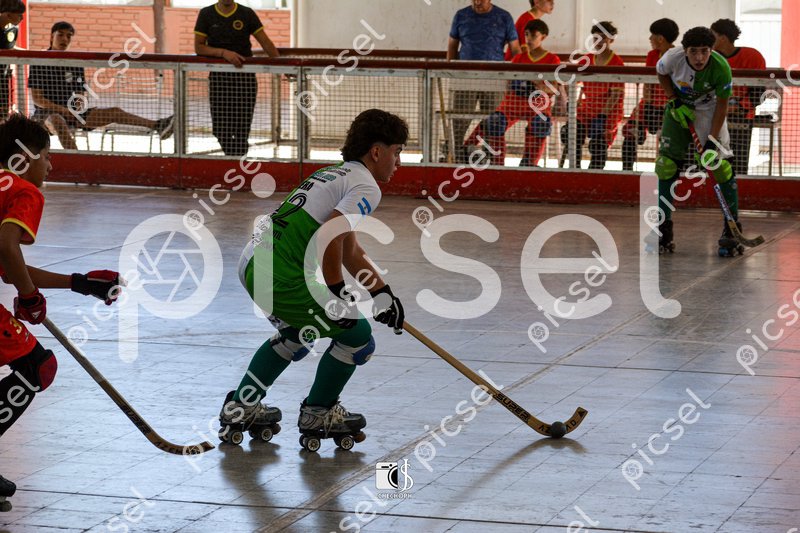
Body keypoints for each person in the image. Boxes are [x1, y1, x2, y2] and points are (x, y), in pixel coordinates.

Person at [219, 109, 407, 450]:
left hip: (253, 263)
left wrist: (382, 293)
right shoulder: (366, 186)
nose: (399, 162)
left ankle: (242, 406)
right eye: (397, 152)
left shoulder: (333, 174)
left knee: (297, 334)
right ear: (377, 152)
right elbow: (330, 233)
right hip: (280, 276)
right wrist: (336, 291)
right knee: (358, 338)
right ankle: (318, 412)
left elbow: (348, 247)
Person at [0, 113, 122, 507]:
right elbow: (7, 247)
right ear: (26, 157)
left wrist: (78, 282)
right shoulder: (23, 191)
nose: (51, 166)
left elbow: (8, 264)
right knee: (38, 367)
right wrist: (30, 298)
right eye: (47, 156)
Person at [652, 26, 737, 254]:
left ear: (711, 50)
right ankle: (663, 228)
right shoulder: (672, 58)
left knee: (720, 167)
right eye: (693, 51)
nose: (699, 58)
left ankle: (731, 228)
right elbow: (661, 73)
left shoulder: (721, 68)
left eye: (704, 51)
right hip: (678, 111)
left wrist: (711, 142)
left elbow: (722, 106)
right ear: (685, 50)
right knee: (666, 165)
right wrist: (673, 99)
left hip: (709, 112)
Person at [28, 22, 174, 151]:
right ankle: (80, 163)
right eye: (60, 35)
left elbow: (80, 95)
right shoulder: (40, 60)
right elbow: (37, 99)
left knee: (115, 112)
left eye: (69, 36)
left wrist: (76, 109)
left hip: (72, 113)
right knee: (58, 121)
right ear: (51, 36)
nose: (64, 39)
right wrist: (63, 111)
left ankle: (158, 125)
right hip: (46, 114)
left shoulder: (74, 62)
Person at [465, 19, 561, 166]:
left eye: (533, 35)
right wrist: (525, 83)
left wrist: (536, 83)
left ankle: (529, 163)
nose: (529, 39)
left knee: (541, 123)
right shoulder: (519, 58)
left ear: (543, 37)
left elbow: (553, 88)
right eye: (526, 35)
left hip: (538, 105)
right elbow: (509, 84)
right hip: (514, 103)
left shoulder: (552, 59)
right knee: (495, 121)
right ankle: (494, 161)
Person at [194, 0, 279, 157]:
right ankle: (235, 160)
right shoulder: (206, 14)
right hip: (219, 80)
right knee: (220, 129)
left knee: (241, 132)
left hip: (245, 81)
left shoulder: (247, 13)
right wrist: (223, 53)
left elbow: (265, 42)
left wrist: (283, 67)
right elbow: (199, 47)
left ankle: (236, 164)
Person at [447, 0, 521, 163]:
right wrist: (451, 71)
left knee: (493, 120)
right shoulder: (461, 16)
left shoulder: (504, 17)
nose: (477, 2)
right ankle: (455, 157)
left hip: (494, 79)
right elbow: (452, 46)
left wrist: (516, 76)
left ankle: (492, 160)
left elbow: (515, 49)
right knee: (459, 119)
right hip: (465, 78)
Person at [561, 21, 625, 169]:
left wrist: (602, 116)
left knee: (598, 145)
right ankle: (574, 171)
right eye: (596, 38)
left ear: (611, 40)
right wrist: (570, 101)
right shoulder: (587, 59)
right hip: (587, 109)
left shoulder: (617, 63)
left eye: (603, 38)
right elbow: (572, 81)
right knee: (571, 133)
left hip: (609, 112)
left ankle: (596, 174)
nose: (598, 41)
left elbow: (615, 96)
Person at [711, 18, 767, 176]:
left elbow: (759, 93)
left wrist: (737, 107)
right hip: (713, 116)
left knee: (738, 165)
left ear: (723, 38)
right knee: (711, 161)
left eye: (713, 35)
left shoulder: (753, 56)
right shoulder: (710, 58)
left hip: (741, 117)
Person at [622, 18, 679, 171]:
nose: (649, 38)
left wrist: (664, 107)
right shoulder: (652, 55)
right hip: (650, 103)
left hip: (670, 105)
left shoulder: (678, 56)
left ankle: (665, 171)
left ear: (660, 38)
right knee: (629, 130)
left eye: (652, 35)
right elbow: (647, 83)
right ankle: (627, 171)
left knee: (667, 139)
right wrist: (648, 105)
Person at [0, 0, 25, 117]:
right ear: (8, 15)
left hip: (3, 78)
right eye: (19, 15)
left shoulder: (13, 29)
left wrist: (32, 54)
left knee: (3, 114)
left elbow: (8, 47)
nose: (22, 18)